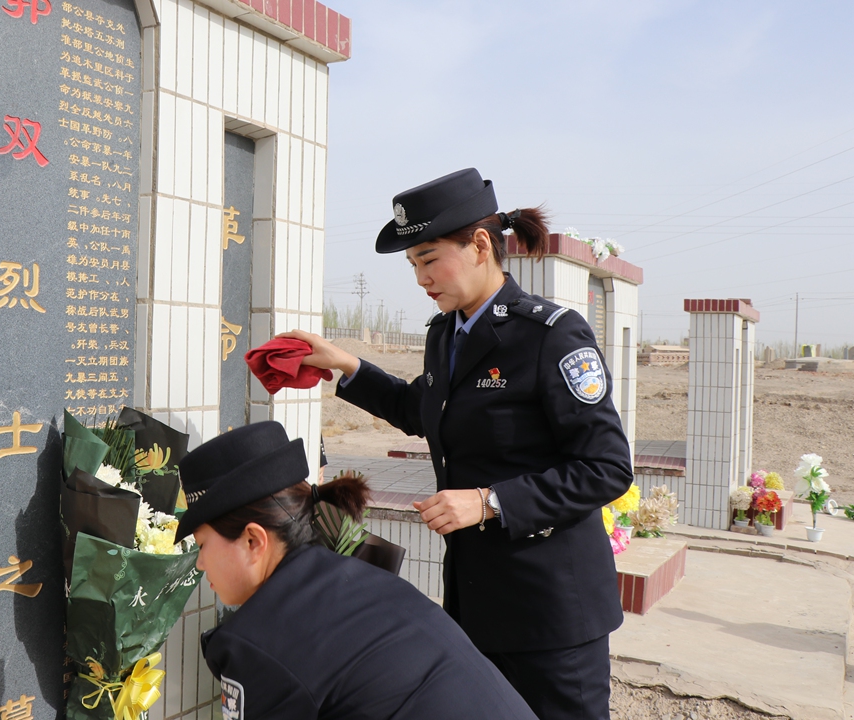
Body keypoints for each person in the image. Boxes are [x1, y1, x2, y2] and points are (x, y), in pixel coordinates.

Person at [280, 168, 634, 720]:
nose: (421, 278)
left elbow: (607, 468)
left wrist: (489, 501)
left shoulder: (549, 335)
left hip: (552, 610)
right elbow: (422, 409)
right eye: (412, 265)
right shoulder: (445, 334)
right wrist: (346, 366)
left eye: (428, 258)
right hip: (477, 600)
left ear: (480, 245)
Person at [175, 421, 538, 720]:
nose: (201, 562)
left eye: (203, 545)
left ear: (254, 541)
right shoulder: (363, 580)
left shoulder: (260, 644)